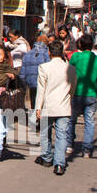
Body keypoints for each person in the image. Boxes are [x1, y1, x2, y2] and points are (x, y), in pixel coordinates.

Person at [34, 38, 77, 175]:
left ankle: (46, 157)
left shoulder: (44, 67)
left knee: (45, 133)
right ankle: (59, 164)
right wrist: (68, 97)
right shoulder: (70, 68)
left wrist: (38, 108)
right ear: (62, 52)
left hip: (48, 106)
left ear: (49, 52)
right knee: (61, 136)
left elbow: (41, 90)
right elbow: (73, 88)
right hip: (64, 106)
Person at [69, 33, 97, 158]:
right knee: (89, 122)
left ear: (80, 44)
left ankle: (69, 144)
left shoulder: (75, 57)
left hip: (76, 94)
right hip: (91, 95)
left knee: (71, 120)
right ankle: (87, 150)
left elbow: (69, 73)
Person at [20, 35, 50, 111]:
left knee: (33, 102)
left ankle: (34, 119)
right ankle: (42, 121)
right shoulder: (46, 54)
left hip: (31, 83)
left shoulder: (27, 54)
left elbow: (23, 72)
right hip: (43, 83)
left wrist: (23, 83)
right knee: (42, 104)